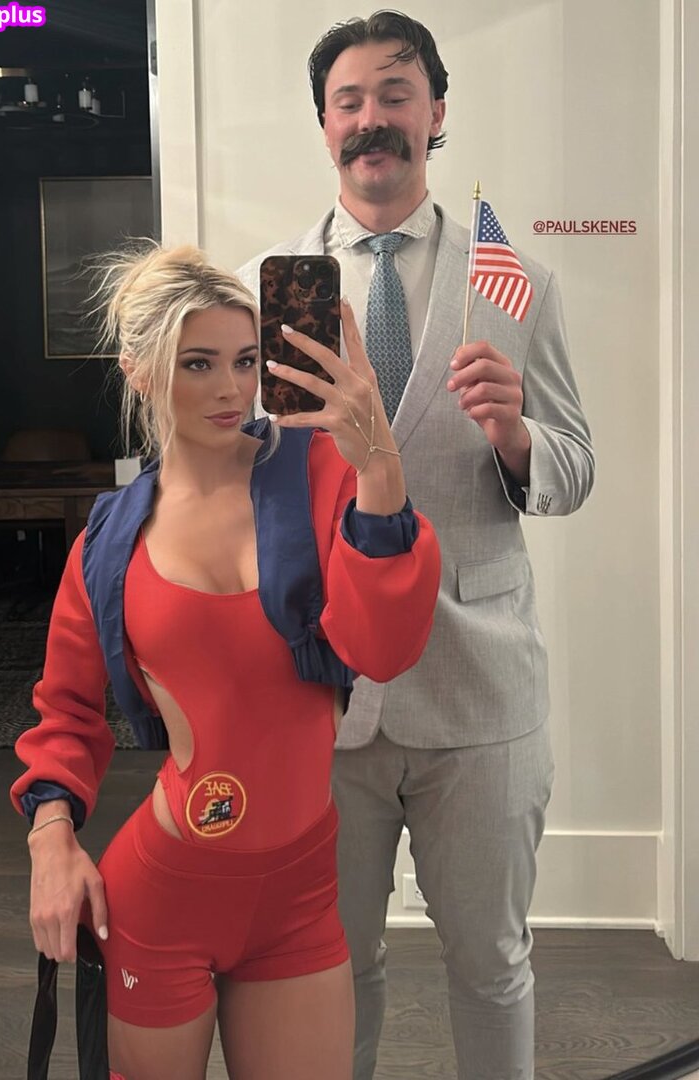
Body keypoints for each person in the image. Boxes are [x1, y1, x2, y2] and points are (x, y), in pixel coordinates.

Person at [238, 11, 595, 1080]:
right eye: (347, 101)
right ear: (323, 125)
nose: (371, 119)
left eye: (395, 94)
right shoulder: (270, 288)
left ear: (435, 112)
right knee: (330, 969)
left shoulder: (512, 281)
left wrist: (517, 435)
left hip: (481, 693)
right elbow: (235, 487)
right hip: (322, 694)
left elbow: (576, 468)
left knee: (491, 964)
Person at [9, 244, 441, 1080]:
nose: (230, 389)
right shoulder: (109, 541)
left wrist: (379, 461)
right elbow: (66, 712)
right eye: (196, 363)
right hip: (163, 893)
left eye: (245, 361)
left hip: (300, 894)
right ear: (139, 372)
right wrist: (50, 841)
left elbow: (384, 652)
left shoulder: (319, 473)